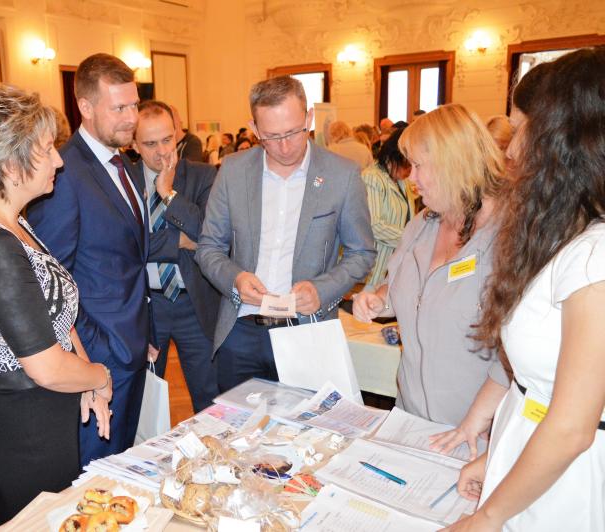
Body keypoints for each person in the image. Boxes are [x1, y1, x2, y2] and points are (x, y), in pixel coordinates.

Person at [448, 47, 605, 532]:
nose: (512, 150)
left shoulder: (595, 256)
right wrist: (498, 457)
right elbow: (535, 392)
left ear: (564, 140)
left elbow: (572, 427)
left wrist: (489, 515)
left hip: (567, 490)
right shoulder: (573, 235)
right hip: (533, 471)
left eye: (521, 130)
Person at [0, 84, 113, 522]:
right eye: (47, 149)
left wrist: (85, 377)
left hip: (45, 419)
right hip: (28, 433)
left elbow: (54, 316)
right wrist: (100, 375)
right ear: (12, 165)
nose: (59, 160)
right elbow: (47, 367)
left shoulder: (10, 222)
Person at [196, 75, 376, 392]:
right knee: (239, 423)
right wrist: (236, 279)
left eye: (293, 132)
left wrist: (322, 289)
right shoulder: (233, 170)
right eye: (271, 136)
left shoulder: (342, 175)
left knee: (305, 422)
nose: (284, 145)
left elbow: (362, 252)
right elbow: (208, 247)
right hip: (241, 331)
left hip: (307, 332)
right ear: (254, 129)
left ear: (309, 118)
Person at [353, 104, 510, 458]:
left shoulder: (508, 237)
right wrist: (377, 298)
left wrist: (480, 418)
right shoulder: (422, 224)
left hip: (475, 433)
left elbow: (516, 354)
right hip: (412, 421)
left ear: (453, 162)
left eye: (419, 166)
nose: (411, 178)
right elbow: (399, 288)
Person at [28, 53, 151, 465]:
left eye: (134, 105)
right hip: (100, 358)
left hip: (132, 347)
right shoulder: (63, 173)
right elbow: (51, 281)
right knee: (97, 474)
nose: (132, 117)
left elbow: (129, 262)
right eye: (119, 108)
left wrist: (143, 332)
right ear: (85, 106)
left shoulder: (124, 162)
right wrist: (96, 352)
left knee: (123, 464)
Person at [132, 100, 220, 412]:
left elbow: (208, 234)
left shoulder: (203, 176)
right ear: (133, 144)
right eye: (150, 144)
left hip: (195, 304)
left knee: (209, 399)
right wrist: (178, 240)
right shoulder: (123, 180)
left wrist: (168, 193)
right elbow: (125, 244)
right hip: (145, 306)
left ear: (178, 133)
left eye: (167, 140)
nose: (162, 152)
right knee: (144, 402)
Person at [360, 128, 412, 289]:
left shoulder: (401, 180)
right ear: (396, 156)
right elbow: (374, 225)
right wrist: (410, 238)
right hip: (376, 267)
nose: (411, 170)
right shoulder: (372, 177)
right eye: (409, 163)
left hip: (396, 264)